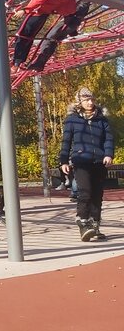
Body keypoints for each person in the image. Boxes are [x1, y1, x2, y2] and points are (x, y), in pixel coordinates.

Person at [59, 86, 114, 242]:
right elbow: (66, 141)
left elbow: (108, 139)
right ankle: (83, 222)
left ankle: (95, 225)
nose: (90, 103)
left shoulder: (102, 119)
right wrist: (63, 161)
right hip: (81, 161)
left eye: (92, 99)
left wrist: (108, 154)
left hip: (99, 161)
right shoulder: (72, 119)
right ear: (80, 102)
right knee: (85, 192)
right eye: (86, 100)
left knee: (97, 195)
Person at [12, 0, 82, 68]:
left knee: (22, 35)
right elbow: (69, 9)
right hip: (43, 16)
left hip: (34, 14)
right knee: (29, 37)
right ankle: (19, 61)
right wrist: (64, 14)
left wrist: (25, 10)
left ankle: (16, 61)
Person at [25, 1, 91, 72]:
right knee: (52, 42)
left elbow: (73, 10)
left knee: (49, 40)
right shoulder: (81, 3)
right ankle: (39, 64)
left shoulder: (79, 2)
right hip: (71, 23)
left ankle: (39, 64)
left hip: (68, 22)